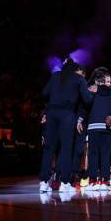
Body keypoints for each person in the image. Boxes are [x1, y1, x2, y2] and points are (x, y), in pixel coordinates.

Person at [39, 58, 96, 194]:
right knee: (66, 148)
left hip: (52, 113)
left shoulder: (55, 76)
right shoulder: (78, 78)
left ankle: (44, 182)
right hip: (67, 114)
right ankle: (64, 183)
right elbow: (87, 100)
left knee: (48, 148)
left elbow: (44, 93)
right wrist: (92, 92)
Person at [84, 67, 111, 191]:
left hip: (94, 126)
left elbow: (86, 105)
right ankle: (105, 181)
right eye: (107, 81)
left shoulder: (91, 90)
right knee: (105, 154)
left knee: (93, 154)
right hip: (107, 126)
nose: (110, 83)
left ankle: (93, 181)